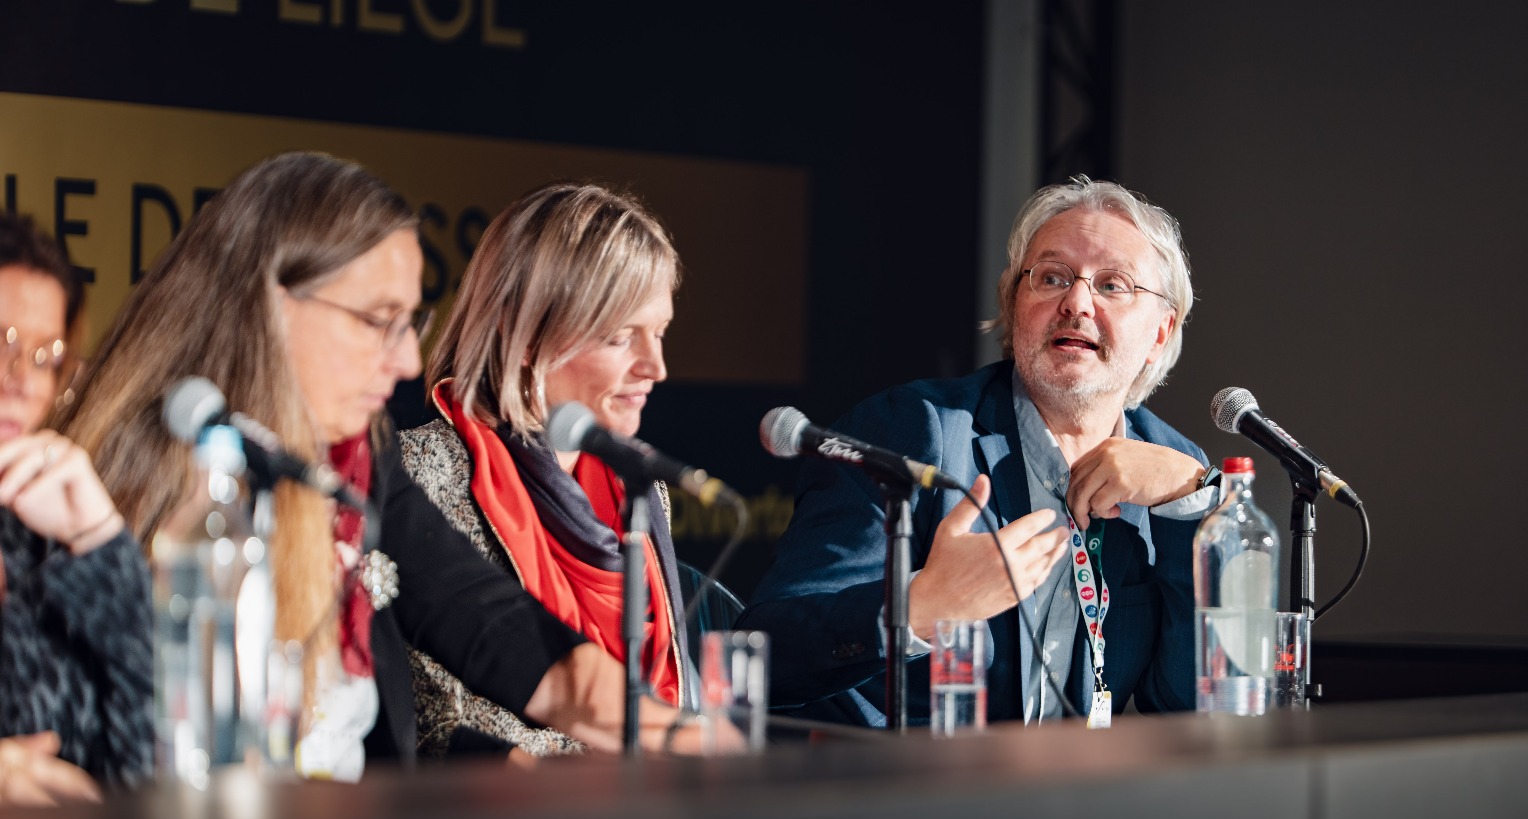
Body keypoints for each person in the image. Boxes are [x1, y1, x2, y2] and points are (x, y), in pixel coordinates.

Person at [59, 152, 682, 779]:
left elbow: (498, 629)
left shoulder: (361, 462)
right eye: (378, 321)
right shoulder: (102, 490)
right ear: (270, 307)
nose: (410, 361)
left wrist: (692, 739)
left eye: (410, 323)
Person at [741, 177, 1217, 726]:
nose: (1076, 302)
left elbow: (1198, 708)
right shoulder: (912, 432)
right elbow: (767, 653)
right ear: (1015, 304)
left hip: (1075, 800)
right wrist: (919, 607)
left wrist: (1190, 505)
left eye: (1113, 285)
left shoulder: (1175, 470)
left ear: (1162, 331)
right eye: (1052, 277)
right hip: (901, 794)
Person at [400, 182, 693, 758]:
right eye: (619, 336)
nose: (655, 367)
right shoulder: (419, 471)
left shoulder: (640, 487)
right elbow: (425, 724)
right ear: (525, 334)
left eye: (658, 333)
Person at [0, 210, 152, 802]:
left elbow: (143, 768)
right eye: (3, 342)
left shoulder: (45, 532)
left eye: (45, 356)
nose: (20, 380)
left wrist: (101, 539)